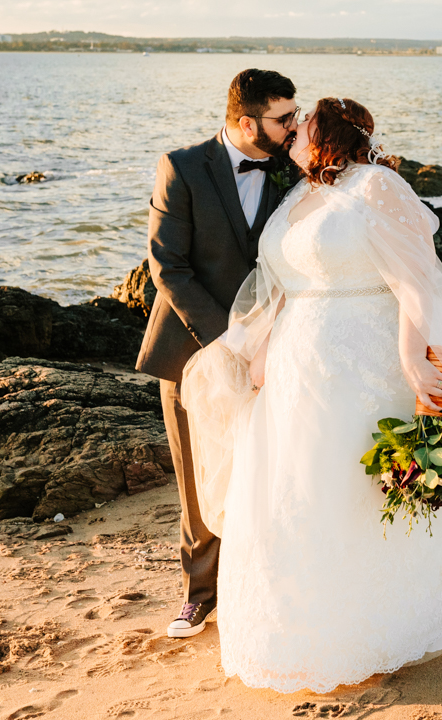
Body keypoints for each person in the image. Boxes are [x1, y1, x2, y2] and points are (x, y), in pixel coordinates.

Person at [180, 97, 442, 693]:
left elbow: (417, 278)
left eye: (302, 126)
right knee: (295, 491)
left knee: (352, 490)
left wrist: (412, 356)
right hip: (296, 367)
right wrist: (258, 351)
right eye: (287, 125)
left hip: (365, 363)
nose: (290, 133)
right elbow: (285, 284)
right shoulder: (299, 195)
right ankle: (299, 627)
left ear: (328, 135)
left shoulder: (377, 186)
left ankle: (369, 629)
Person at [137, 68, 298, 640]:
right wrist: (228, 338)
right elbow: (167, 267)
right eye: (283, 118)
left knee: (268, 472)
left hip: (276, 349)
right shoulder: (182, 167)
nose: (293, 126)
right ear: (246, 121)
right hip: (192, 346)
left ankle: (260, 588)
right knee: (195, 478)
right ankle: (198, 597)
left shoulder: (292, 167)